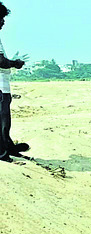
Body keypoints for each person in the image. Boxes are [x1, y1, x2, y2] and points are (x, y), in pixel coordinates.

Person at [0, 2, 28, 163]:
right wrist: (15, 63)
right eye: (1, 18)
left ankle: (8, 147)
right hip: (0, 85)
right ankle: (3, 153)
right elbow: (0, 61)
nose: (3, 22)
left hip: (3, 83)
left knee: (4, 120)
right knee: (3, 119)